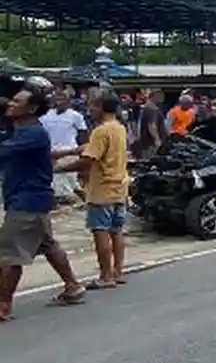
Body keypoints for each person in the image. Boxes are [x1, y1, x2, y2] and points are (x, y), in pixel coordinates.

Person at [0, 77, 87, 320]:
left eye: (17, 101)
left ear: (31, 108)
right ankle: (73, 285)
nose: (10, 104)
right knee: (47, 244)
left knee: (8, 254)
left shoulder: (31, 133)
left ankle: (3, 304)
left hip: (27, 201)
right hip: (34, 199)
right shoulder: (24, 130)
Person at [63, 92, 130, 289]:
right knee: (116, 231)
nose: (89, 110)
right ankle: (117, 272)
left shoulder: (100, 131)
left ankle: (106, 276)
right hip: (119, 186)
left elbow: (87, 161)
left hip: (102, 189)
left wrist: (58, 168)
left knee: (100, 231)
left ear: (101, 107)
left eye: (92, 106)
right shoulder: (119, 127)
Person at [40, 88, 88, 204]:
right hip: (51, 152)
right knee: (60, 183)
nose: (60, 101)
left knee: (67, 183)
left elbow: (83, 134)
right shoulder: (46, 115)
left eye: (63, 99)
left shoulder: (75, 116)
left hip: (69, 151)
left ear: (69, 101)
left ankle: (80, 204)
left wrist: (82, 152)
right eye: (58, 98)